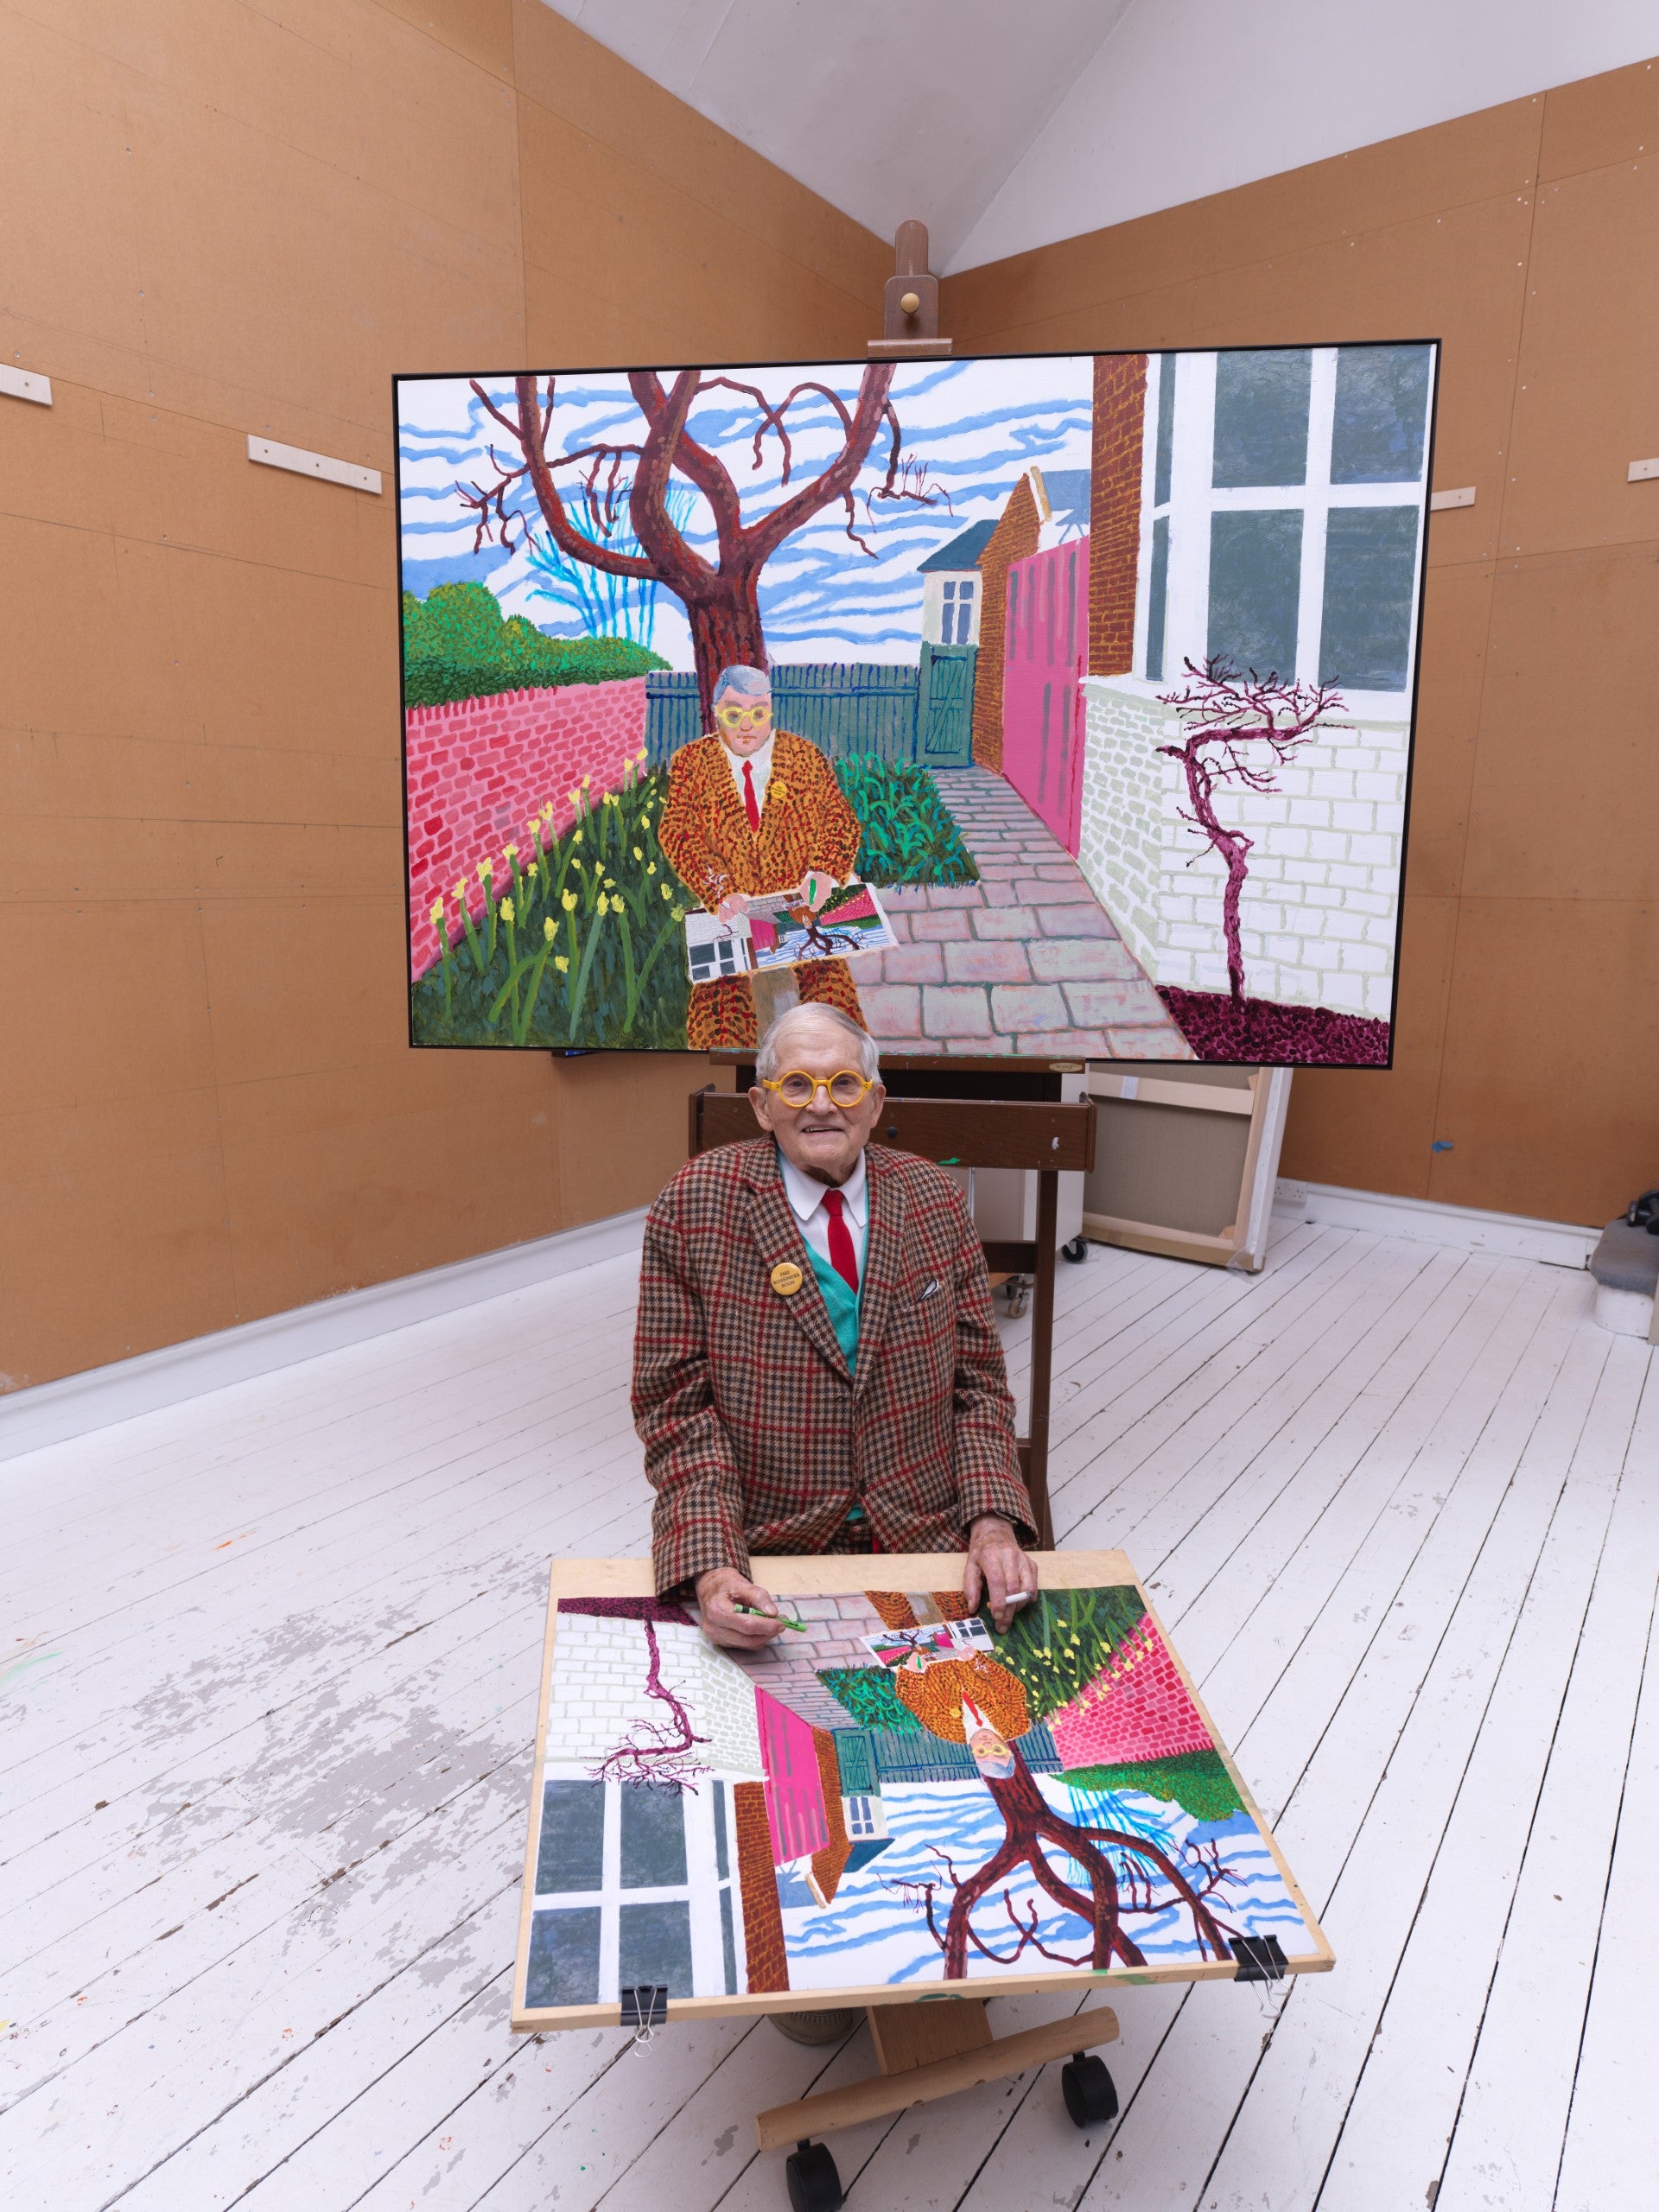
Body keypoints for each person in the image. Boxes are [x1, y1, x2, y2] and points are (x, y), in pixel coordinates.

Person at [632, 1001, 1039, 1648]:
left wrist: (991, 1524)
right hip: (765, 1547)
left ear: (876, 1103)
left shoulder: (936, 1200)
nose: (821, 1105)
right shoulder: (692, 1205)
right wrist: (712, 1566)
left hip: (928, 1538)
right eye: (796, 1084)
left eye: (843, 1084)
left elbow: (979, 1388)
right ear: (762, 1106)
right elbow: (675, 1410)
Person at [657, 664, 867, 1052]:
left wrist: (823, 871)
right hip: (732, 913)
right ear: (717, 712)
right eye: (734, 714)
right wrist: (719, 889)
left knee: (836, 1026)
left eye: (758, 713)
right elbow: (678, 833)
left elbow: (840, 820)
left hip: (800, 913)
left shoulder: (804, 757)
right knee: (719, 1031)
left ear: (770, 710)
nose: (747, 726)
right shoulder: (692, 762)